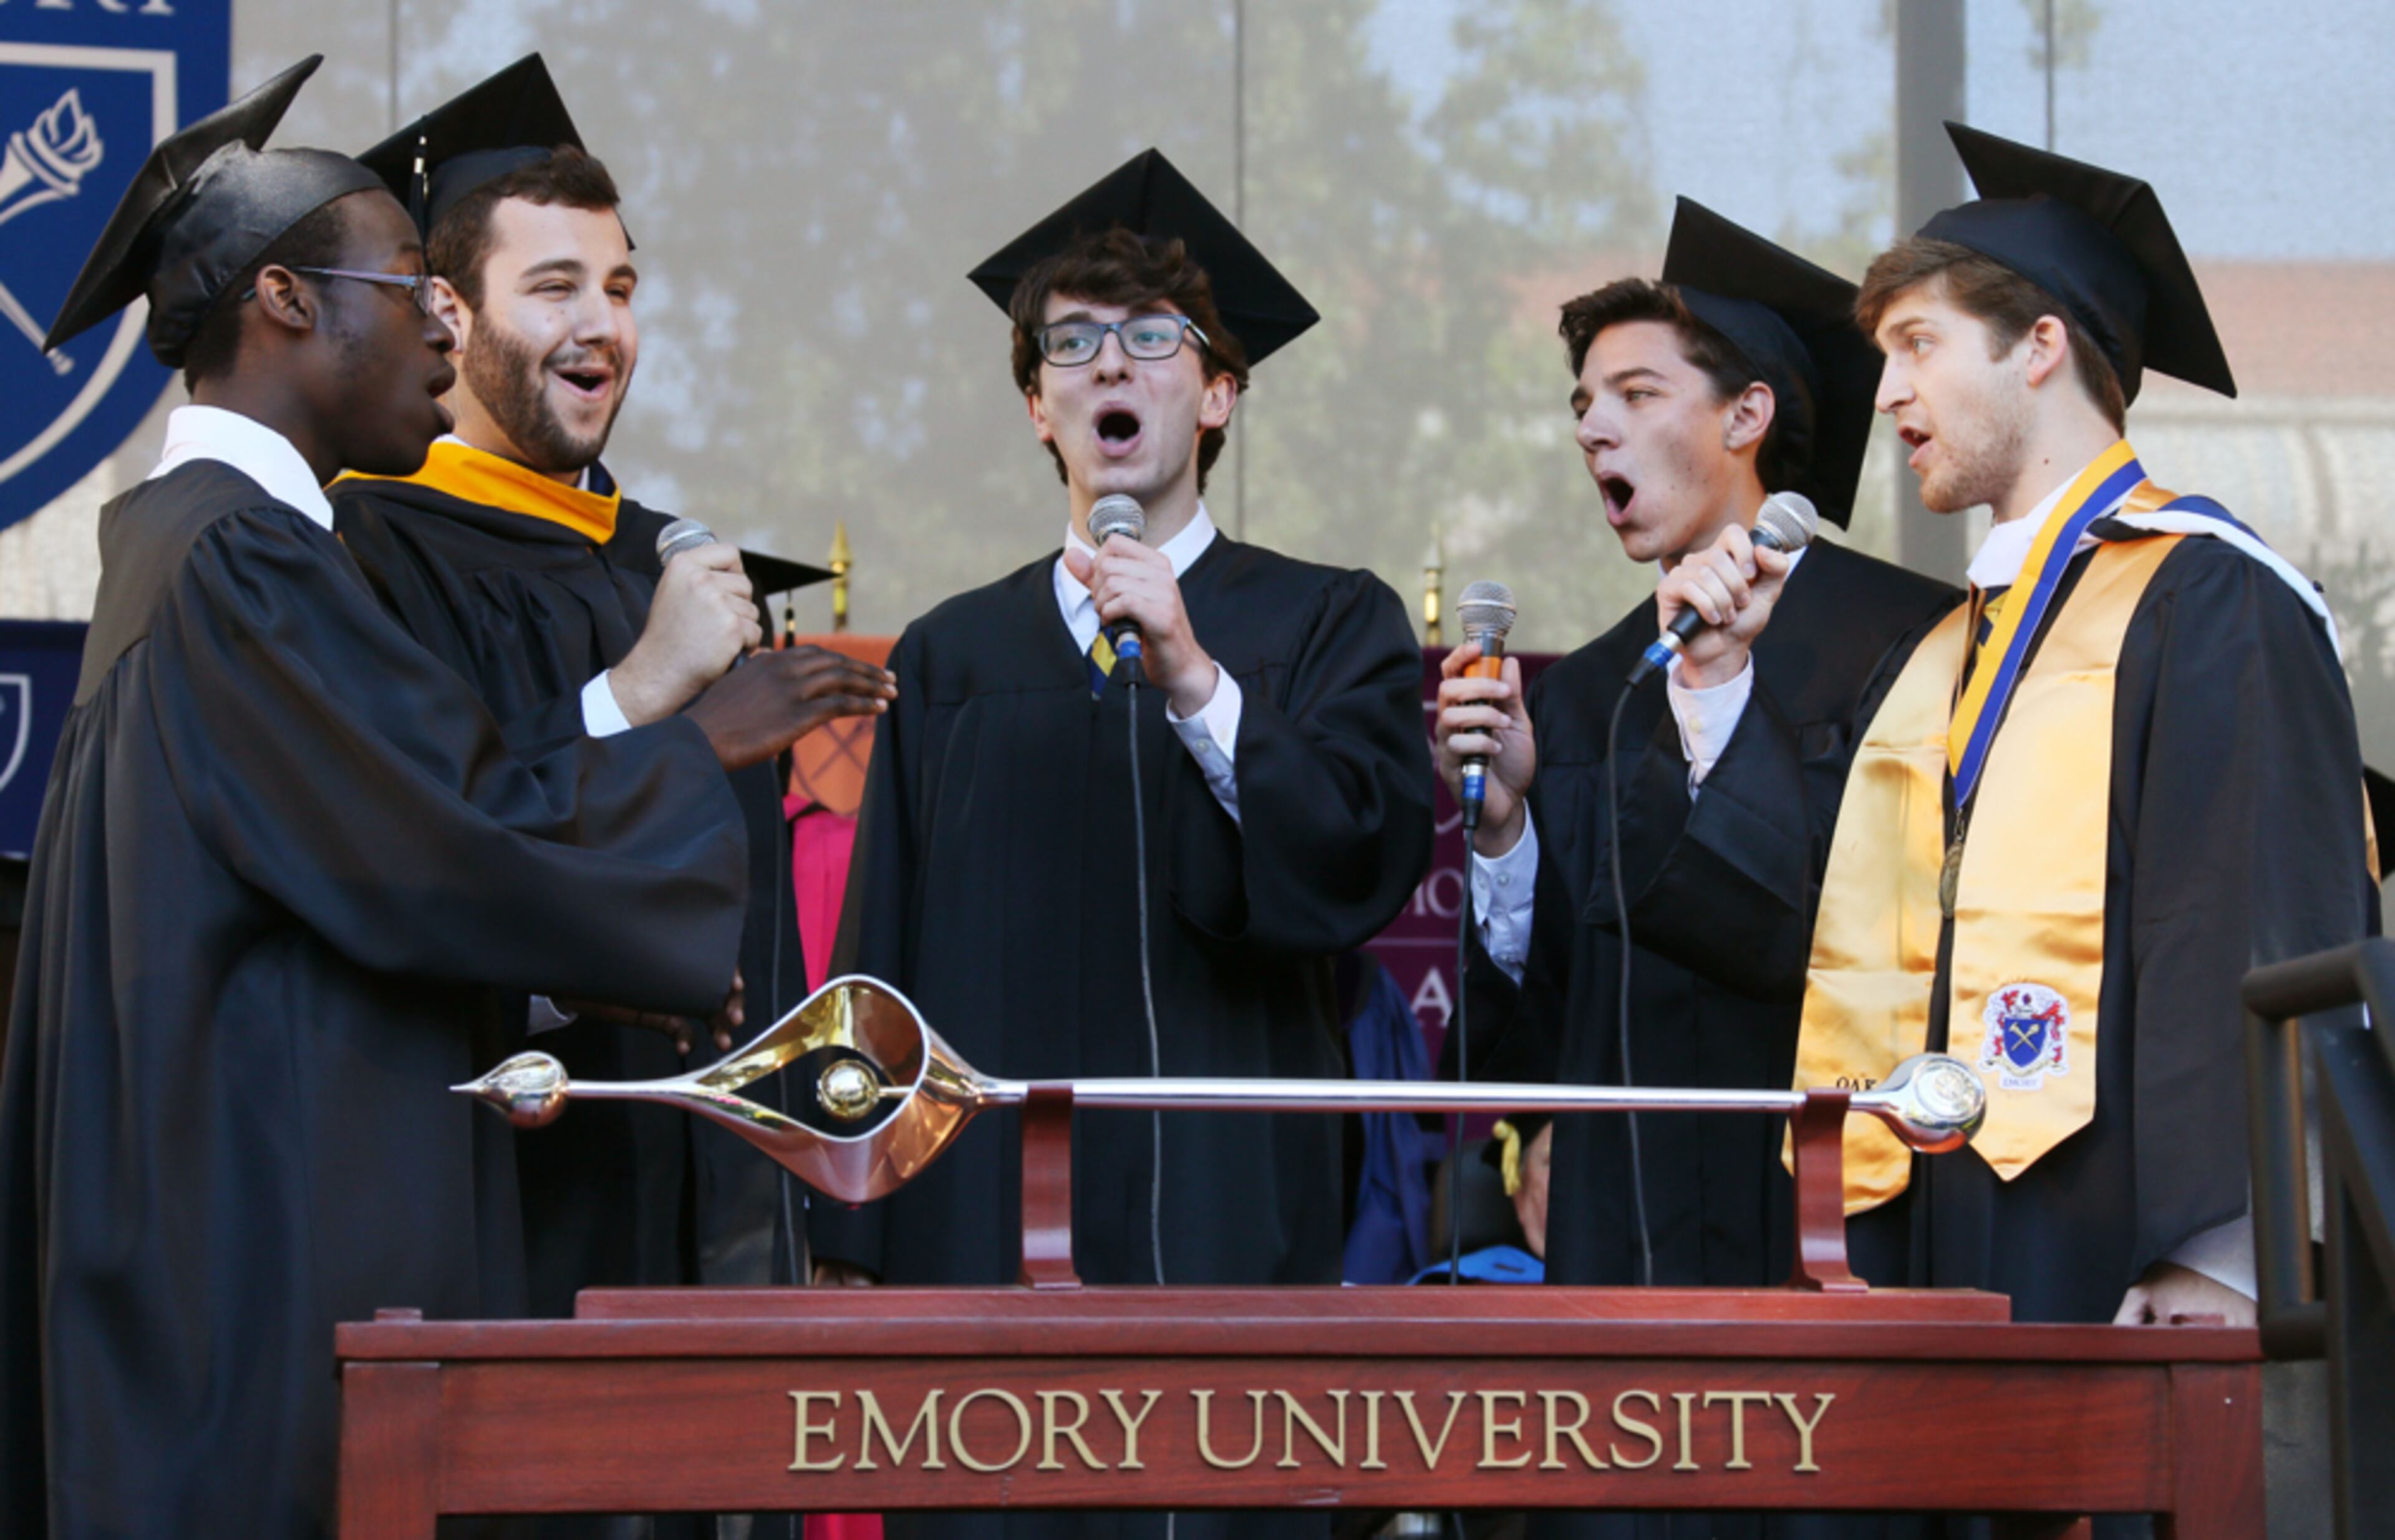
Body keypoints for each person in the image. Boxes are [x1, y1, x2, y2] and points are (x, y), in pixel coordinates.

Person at [0, 58, 761, 1540]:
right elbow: (447, 834)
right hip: (257, 1279)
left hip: (215, 1245)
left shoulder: (194, 548)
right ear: (287, 302)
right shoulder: (242, 565)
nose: (440, 322)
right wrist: (670, 707)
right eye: (412, 281)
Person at [821, 148, 1431, 1520]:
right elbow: (884, 956)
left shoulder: (1328, 623)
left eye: (1156, 341)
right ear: (1039, 406)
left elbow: (1358, 860)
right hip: (980, 1226)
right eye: (1075, 345)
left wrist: (1198, 679)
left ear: (1219, 393)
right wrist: (849, 1220)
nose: (1114, 366)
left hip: (1231, 1211)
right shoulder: (955, 653)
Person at [1747, 125, 2372, 1362]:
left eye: (1918, 346)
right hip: (1941, 1214)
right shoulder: (1957, 645)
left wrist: (2223, 1247)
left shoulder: (2209, 594)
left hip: (2116, 1229)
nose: (1888, 397)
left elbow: (2252, 918)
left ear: (2041, 349)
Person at [333, 57, 896, 1312]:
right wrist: (645, 694)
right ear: (447, 314)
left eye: (622, 287)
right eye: (554, 287)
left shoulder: (665, 560)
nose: (603, 324)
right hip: (510, 1196)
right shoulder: (368, 550)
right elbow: (422, 843)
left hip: (722, 1200)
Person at [1433, 200, 1955, 1312]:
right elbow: (1537, 1024)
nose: (1591, 430)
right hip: (1628, 1210)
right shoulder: (1585, 690)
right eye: (1582, 406)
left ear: (1746, 415)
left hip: (1838, 1197)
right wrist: (1506, 832)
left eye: (1636, 394)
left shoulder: (1914, 642)